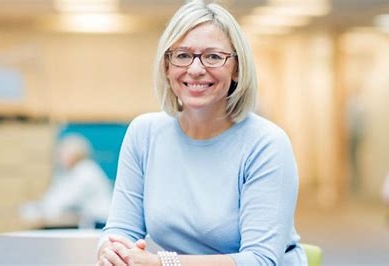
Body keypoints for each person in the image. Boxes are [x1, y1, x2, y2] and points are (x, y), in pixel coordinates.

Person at [97, 1, 307, 265]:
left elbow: (261, 260)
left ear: (237, 69)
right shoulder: (144, 134)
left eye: (213, 56)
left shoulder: (266, 143)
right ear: (167, 66)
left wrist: (163, 264)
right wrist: (112, 252)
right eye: (182, 55)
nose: (195, 69)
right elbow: (119, 230)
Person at [19, 134, 113, 229]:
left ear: (75, 154)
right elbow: (53, 199)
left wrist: (40, 211)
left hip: (99, 224)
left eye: (63, 153)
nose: (59, 158)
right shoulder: (68, 173)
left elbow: (63, 202)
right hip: (87, 222)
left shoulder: (86, 170)